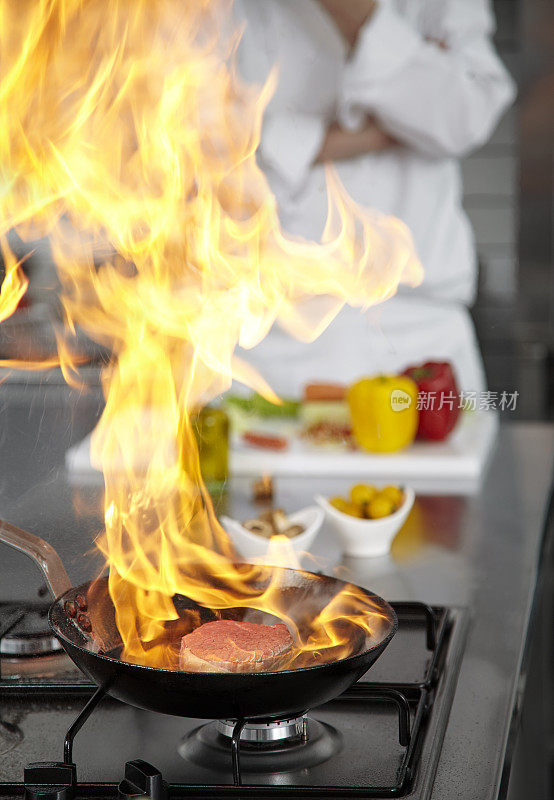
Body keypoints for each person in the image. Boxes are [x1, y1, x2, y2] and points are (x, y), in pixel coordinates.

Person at [232, 0, 516, 395]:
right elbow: (190, 137)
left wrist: (355, 13)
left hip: (418, 339)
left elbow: (467, 113)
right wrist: (391, 125)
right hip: (263, 341)